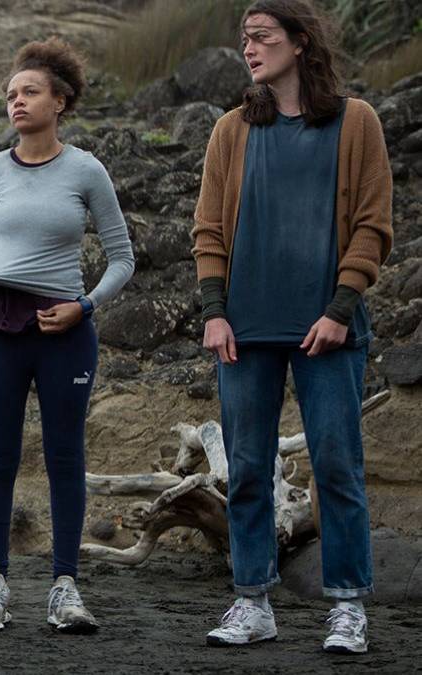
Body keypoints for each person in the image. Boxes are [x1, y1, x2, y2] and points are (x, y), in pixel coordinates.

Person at [194, 0, 391, 654]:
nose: (249, 50)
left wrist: (340, 309)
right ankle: (252, 600)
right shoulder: (231, 130)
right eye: (244, 39)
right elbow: (209, 231)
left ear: (300, 42)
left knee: (337, 465)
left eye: (262, 37)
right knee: (247, 468)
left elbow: (373, 223)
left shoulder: (356, 122)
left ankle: (347, 608)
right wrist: (214, 310)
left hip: (327, 331)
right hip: (243, 331)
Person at [0, 39, 135, 633]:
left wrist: (84, 306)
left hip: (65, 330)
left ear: (61, 100)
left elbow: (122, 259)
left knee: (64, 457)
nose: (17, 102)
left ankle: (65, 588)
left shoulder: (86, 170)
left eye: (29, 92)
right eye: (10, 95)